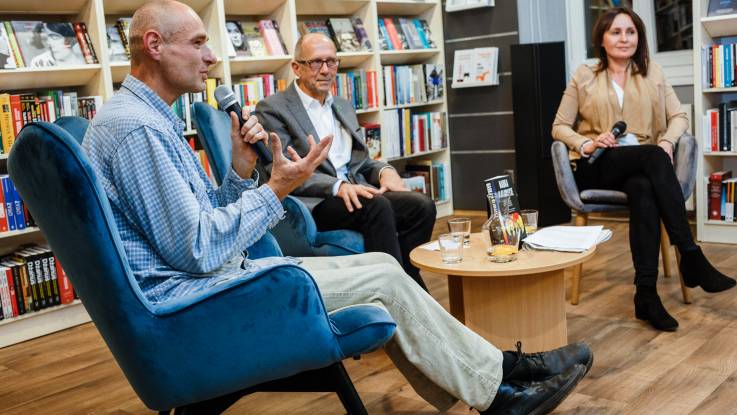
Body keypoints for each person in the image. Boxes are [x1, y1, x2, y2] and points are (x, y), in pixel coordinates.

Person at [82, 1, 592, 413]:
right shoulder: (137, 129)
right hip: (201, 299)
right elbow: (198, 249)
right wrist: (276, 188)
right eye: (197, 43)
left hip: (219, 277)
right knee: (386, 278)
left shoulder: (148, 121)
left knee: (383, 263)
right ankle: (499, 387)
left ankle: (498, 371)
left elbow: (202, 224)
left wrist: (240, 172)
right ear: (155, 45)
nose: (211, 57)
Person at [552, 7, 736, 332]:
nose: (624, 38)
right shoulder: (584, 75)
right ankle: (690, 254)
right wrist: (587, 144)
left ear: (639, 37)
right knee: (652, 158)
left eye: (631, 32)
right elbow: (559, 126)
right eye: (616, 32)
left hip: (642, 165)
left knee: (644, 188)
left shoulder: (653, 73)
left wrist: (667, 142)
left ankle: (646, 296)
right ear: (602, 38)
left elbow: (679, 116)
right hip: (599, 164)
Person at [255, 33, 436, 290]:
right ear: (297, 67)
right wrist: (337, 187)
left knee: (421, 206)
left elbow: (359, 162)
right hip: (316, 201)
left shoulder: (342, 105)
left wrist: (385, 171)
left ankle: (408, 280)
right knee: (377, 206)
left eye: (332, 61)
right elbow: (281, 170)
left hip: (356, 191)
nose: (326, 70)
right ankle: (397, 291)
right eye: (317, 62)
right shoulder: (273, 108)